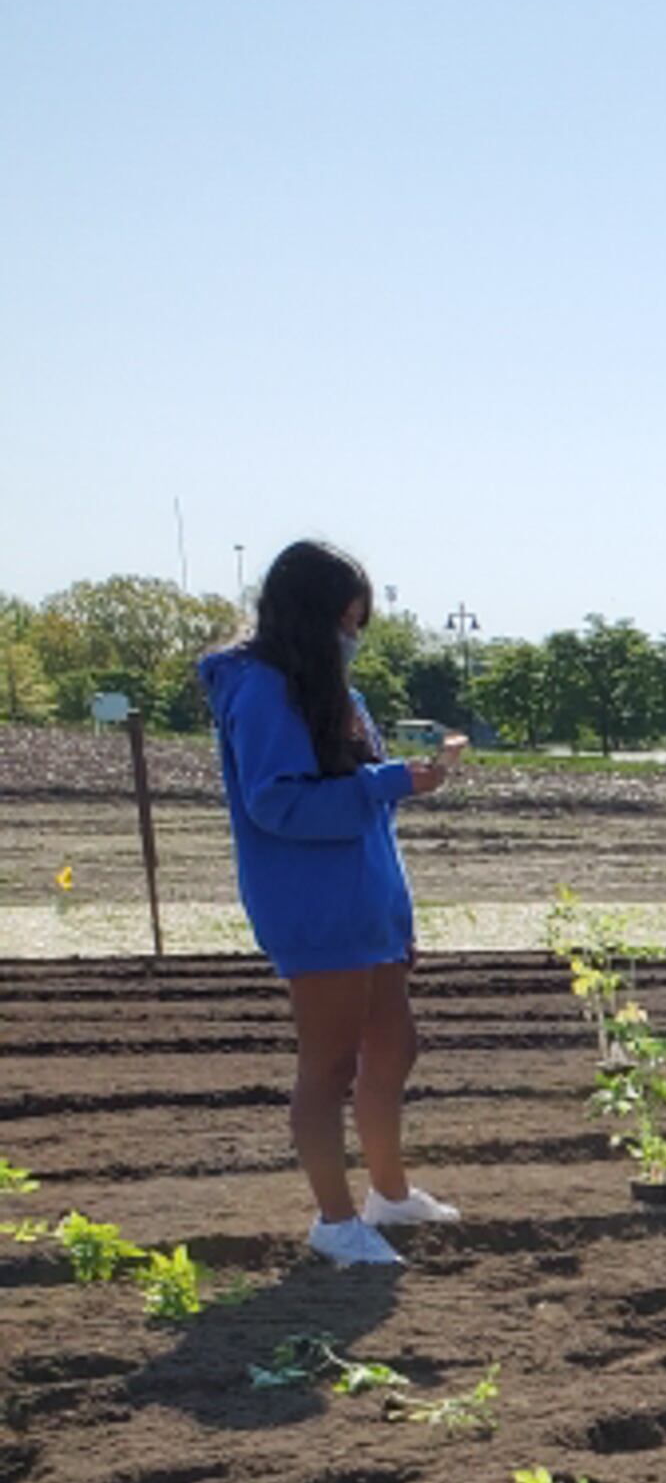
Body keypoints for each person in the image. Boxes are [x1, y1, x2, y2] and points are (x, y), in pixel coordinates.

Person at [198, 540, 466, 1268]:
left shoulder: (332, 690)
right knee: (329, 1066)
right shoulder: (262, 690)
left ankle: (388, 1194)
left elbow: (369, 815)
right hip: (314, 906)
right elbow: (278, 804)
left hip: (365, 902)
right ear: (309, 615)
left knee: (394, 1046)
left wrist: (397, 913)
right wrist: (387, 784)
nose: (352, 634)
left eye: (359, 621)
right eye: (345, 619)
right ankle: (336, 1221)